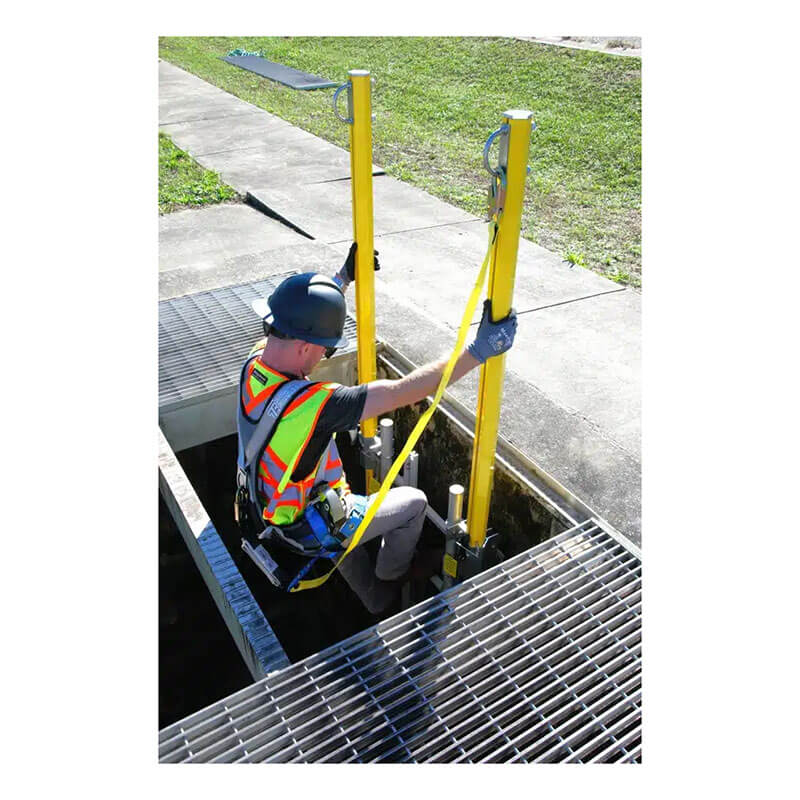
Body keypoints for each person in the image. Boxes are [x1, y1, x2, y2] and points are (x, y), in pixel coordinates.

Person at [237, 243, 517, 614]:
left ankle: (369, 594)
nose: (325, 356)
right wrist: (479, 351)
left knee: (335, 527)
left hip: (268, 514)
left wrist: (343, 278)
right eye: (326, 349)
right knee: (414, 505)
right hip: (306, 532)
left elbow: (299, 317)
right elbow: (406, 390)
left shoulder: (255, 362)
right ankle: (388, 587)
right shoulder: (317, 405)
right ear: (305, 347)